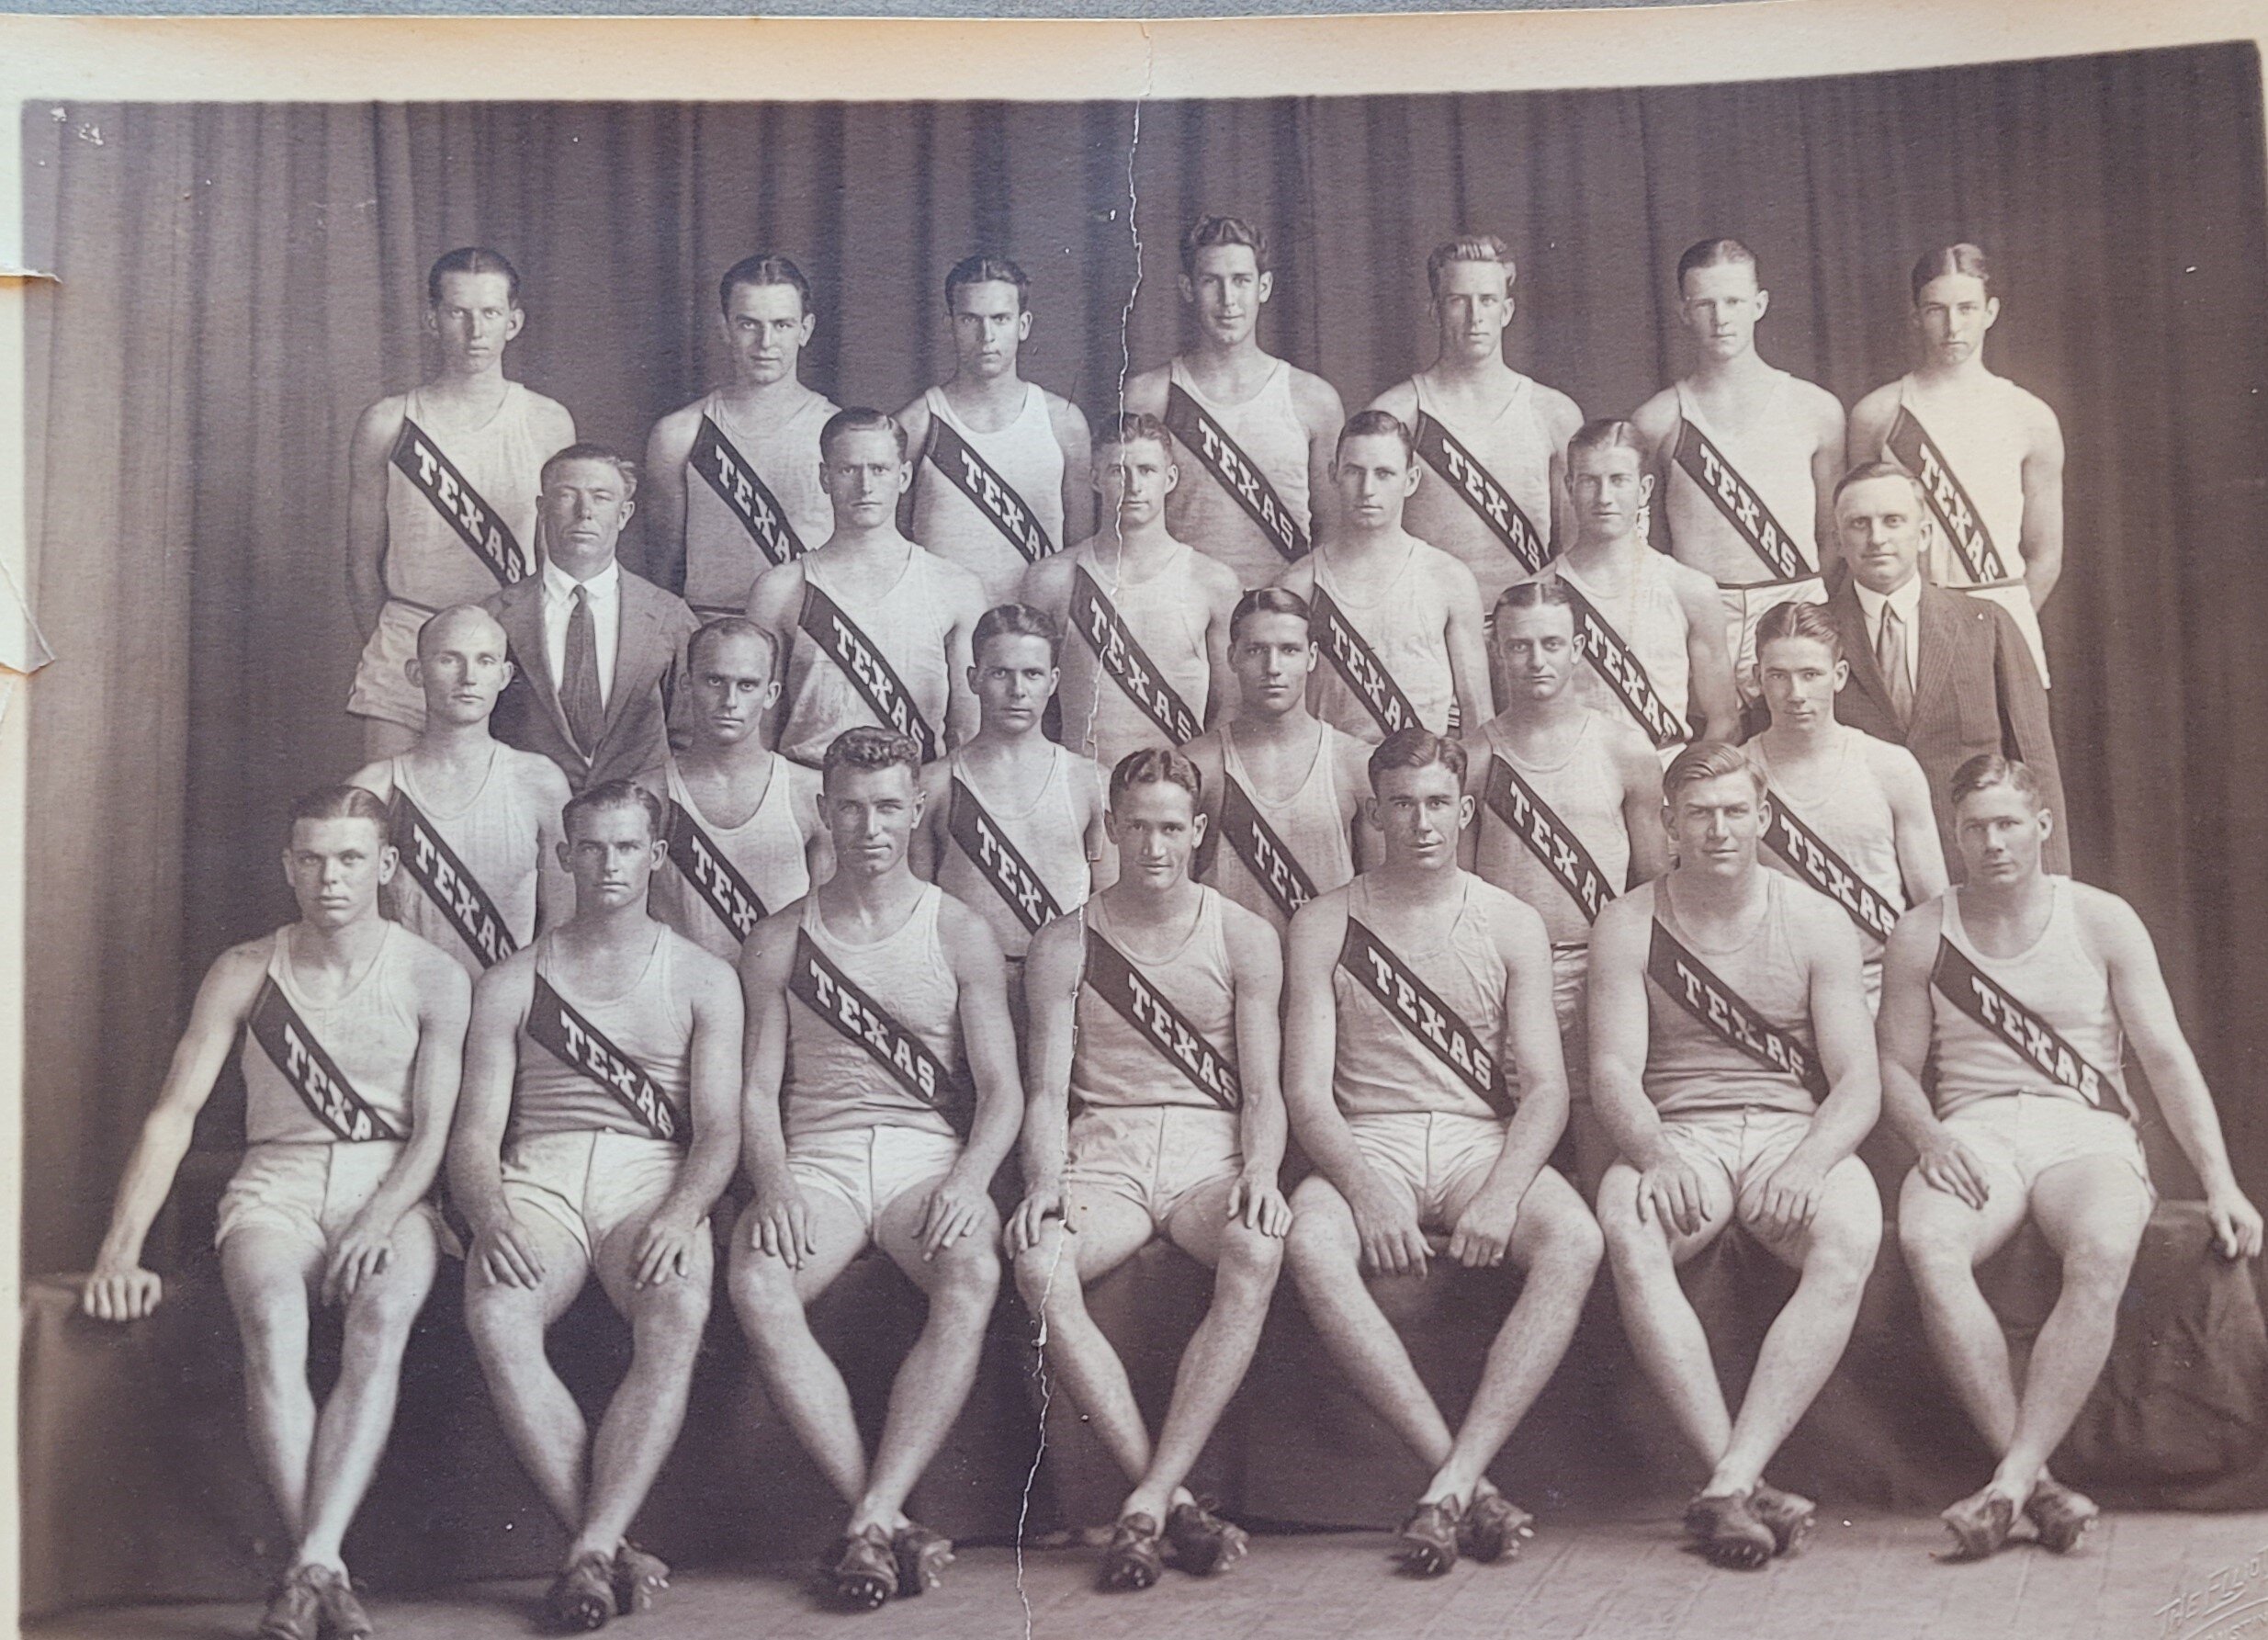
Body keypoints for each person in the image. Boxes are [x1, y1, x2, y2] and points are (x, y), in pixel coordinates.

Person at [83, 787, 471, 1640]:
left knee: (381, 1314)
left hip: (390, 1184)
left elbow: (436, 1134)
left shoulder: (432, 973)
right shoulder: (247, 967)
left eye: (350, 859)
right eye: (313, 859)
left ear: (387, 866)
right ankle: (324, 1565)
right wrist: (120, 1250)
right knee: (269, 1313)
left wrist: (380, 1218)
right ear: (287, 865)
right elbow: (173, 1115)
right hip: (277, 1182)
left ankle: (308, 1566)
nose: (331, 877)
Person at [1879, 753, 2262, 1560]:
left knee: (2099, 1247)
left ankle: (2009, 1483)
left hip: (2082, 1128)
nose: (1992, 843)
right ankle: (2037, 1482)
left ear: (2042, 826)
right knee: (1928, 1242)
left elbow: (2163, 1056)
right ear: (1954, 835)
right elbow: (1893, 1068)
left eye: (2008, 824)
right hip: (1974, 1126)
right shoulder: (1923, 930)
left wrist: (2220, 1182)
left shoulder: (2099, 918)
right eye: (1975, 828)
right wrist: (1929, 1136)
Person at [1281, 729, 1603, 1577]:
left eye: (1435, 804)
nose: (1420, 822)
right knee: (1310, 1240)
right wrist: (1362, 1188)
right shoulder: (1321, 923)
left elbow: (1544, 1087)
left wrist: (1501, 1194)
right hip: (1370, 1138)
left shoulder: (1510, 920)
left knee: (1573, 1238)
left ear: (1463, 811)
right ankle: (1459, 1480)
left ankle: (1451, 1483)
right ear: (1373, 814)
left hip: (1471, 1139)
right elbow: (1307, 1094)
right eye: (1400, 804)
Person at [729, 727, 1023, 1609]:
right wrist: (774, 1184)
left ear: (915, 808)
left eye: (888, 806)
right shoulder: (779, 938)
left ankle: (869, 1515)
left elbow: (1003, 1094)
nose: (868, 826)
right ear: (823, 812)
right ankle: (884, 1517)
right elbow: (754, 1091)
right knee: (754, 1279)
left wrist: (969, 1181)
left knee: (971, 1270)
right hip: (817, 1158)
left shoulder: (958, 929)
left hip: (919, 1157)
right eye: (850, 807)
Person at [450, 780, 743, 1631]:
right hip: (537, 1174)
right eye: (592, 847)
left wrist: (682, 1211)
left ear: (656, 856)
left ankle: (589, 1547)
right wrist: (493, 1216)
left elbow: (719, 1131)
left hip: (648, 1172)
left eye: (627, 847)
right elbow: (474, 1136)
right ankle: (605, 1546)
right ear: (564, 854)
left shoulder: (704, 977)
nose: (609, 864)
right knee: (497, 1313)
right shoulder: (510, 981)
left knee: (677, 1304)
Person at [1588, 741, 1882, 1570]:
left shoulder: (1817, 918)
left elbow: (1858, 1081)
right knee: (1628, 1222)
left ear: (1762, 817)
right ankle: (1739, 1481)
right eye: (1699, 814)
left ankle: (1728, 1481)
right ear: (1670, 824)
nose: (1718, 829)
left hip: (1790, 1130)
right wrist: (1651, 1152)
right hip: (1684, 1130)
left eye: (1732, 811)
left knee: (1852, 1231)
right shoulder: (1628, 921)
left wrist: (1809, 1161)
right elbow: (1611, 1069)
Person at [1006, 747, 1291, 1590]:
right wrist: (1042, 1182)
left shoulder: (1243, 935)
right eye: (1137, 827)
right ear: (1112, 830)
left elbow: (1264, 1088)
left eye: (1172, 827)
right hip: (1110, 1151)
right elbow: (1048, 1089)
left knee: (1258, 1249)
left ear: (1198, 832)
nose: (1155, 846)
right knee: (1036, 1263)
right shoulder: (1065, 941)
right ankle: (1163, 1500)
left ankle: (1149, 1499)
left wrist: (1264, 1169)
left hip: (1209, 1149)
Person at [1461, 581, 1668, 1188]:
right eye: (1518, 645)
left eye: (1551, 643)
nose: (1535, 660)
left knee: (1600, 1138)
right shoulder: (1474, 756)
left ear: (1577, 648)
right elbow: (1466, 889)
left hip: (1597, 969)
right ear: (1498, 652)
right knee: (1517, 1149)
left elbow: (1652, 880)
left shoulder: (1623, 747)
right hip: (1504, 976)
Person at [344, 248, 577, 758]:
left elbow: (556, 559)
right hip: (410, 633)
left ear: (513, 322)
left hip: (508, 645)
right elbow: (362, 565)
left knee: (514, 820)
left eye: (490, 313)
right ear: (433, 320)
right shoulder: (388, 422)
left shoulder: (547, 421)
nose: (475, 330)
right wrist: (402, 646)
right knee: (392, 814)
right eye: (458, 313)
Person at [1816, 461, 2068, 876]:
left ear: (1925, 534)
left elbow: (2035, 764)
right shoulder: (1814, 636)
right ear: (1838, 541)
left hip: (1975, 862)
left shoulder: (1987, 624)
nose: (1877, 538)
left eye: (1893, 520)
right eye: (1859, 524)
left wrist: (2054, 888)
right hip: (1858, 868)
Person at [1630, 239, 1845, 702]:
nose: (1720, 317)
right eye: (1704, 303)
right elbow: (1649, 544)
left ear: (1759, 304)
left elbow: (1833, 536)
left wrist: (1801, 603)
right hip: (1705, 613)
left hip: (1794, 605)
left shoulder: (1815, 410)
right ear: (1684, 311)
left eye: (1733, 302)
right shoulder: (1658, 420)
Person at [1849, 244, 2065, 683]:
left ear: (1991, 312)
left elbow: (2046, 554)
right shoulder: (1878, 414)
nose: (1952, 326)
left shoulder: (2029, 416)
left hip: (1999, 616)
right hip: (1909, 619)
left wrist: (1996, 626)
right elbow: (1856, 537)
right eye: (1936, 310)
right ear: (1915, 316)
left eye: (1967, 308)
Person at [746, 409, 987, 768]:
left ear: (904, 476)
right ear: (825, 478)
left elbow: (966, 737)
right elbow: (758, 736)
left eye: (879, 469)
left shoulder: (955, 589)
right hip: (809, 795)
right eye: (848, 470)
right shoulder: (780, 590)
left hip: (910, 799)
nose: (865, 486)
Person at [348, 603, 574, 980]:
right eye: (449, 660)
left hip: (506, 1008)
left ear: (504, 676)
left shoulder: (540, 783)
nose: (468, 677)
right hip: (405, 1003)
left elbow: (564, 916)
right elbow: (350, 921)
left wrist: (514, 1000)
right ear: (416, 673)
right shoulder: (375, 787)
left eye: (485, 661)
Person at [1123, 215, 1346, 592]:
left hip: (1279, 618)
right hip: (1182, 610)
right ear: (1188, 288)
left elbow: (1333, 532)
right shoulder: (1150, 396)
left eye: (1241, 281)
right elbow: (1126, 525)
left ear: (1265, 286)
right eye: (1212, 282)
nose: (1228, 301)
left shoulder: (1313, 400)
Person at [1744, 599, 1946, 1009]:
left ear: (1838, 677)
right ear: (1757, 679)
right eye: (1779, 676)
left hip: (1884, 984)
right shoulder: (1738, 775)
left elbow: (1933, 902)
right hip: (1781, 988)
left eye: (1810, 675)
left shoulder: (1889, 766)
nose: (1796, 694)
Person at [1371, 233, 1584, 615]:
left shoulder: (1553, 413)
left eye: (1487, 300)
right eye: (1458, 301)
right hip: (1429, 626)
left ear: (1506, 311)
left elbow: (1574, 553)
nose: (1475, 317)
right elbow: (1370, 545)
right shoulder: (1397, 413)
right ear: (1435, 310)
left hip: (1527, 630)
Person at [1020, 413, 1238, 775]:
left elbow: (1228, 709)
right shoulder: (1052, 580)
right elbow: (1031, 704)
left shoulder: (1213, 582)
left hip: (1175, 799)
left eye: (1148, 470)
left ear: (1170, 478)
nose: (1134, 485)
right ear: (1094, 478)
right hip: (1081, 789)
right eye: (1119, 471)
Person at [483, 444, 703, 795]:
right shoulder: (494, 617)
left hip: (635, 823)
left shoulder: (669, 617)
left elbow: (692, 735)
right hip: (527, 812)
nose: (584, 512)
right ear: (542, 509)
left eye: (601, 497)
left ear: (624, 513)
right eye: (567, 496)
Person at [916, 604, 1110, 985]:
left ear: (1053, 682)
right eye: (1000, 673)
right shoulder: (934, 784)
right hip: (965, 983)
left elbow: (1111, 909)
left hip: (1067, 983)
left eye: (1032, 674)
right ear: (973, 679)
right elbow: (917, 910)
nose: (1017, 690)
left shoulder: (1089, 781)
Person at [1274, 411, 1490, 745]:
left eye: (1385, 474)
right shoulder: (1299, 585)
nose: (1367, 489)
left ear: (1411, 480)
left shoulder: (1448, 579)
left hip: (1419, 780)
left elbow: (1478, 716)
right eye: (1354, 472)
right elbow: (1283, 719)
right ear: (1333, 475)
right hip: (1334, 778)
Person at [642, 254, 840, 616]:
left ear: (806, 329)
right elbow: (664, 574)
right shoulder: (680, 434)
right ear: (724, 328)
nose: (766, 342)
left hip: (811, 633)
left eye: (782, 325)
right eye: (749, 324)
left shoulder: (838, 434)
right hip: (712, 636)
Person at [1529, 420, 1740, 754]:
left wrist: (1683, 789)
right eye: (1589, 481)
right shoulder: (1537, 594)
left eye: (1618, 480)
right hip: (1577, 777)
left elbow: (1724, 721)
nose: (1604, 497)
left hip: (1666, 777)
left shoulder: (1689, 590)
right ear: (1569, 488)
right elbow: (1520, 720)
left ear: (1644, 490)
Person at [897, 254, 1094, 606]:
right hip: (942, 632)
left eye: (1000, 319)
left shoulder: (1062, 422)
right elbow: (893, 548)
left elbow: (1081, 552)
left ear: (1023, 324)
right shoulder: (917, 425)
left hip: (1034, 638)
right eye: (971, 319)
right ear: (950, 325)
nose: (986, 336)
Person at [1181, 588, 1374, 936]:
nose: (1272, 668)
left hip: (1328, 974)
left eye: (1289, 650)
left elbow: (1378, 898)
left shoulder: (1354, 763)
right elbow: (1179, 900)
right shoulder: (1199, 764)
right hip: (1228, 972)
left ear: (1312, 657)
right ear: (1232, 657)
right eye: (1256, 650)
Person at [638, 616, 830, 961]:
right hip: (681, 999)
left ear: (771, 694)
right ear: (686, 685)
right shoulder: (646, 796)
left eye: (747, 685)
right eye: (714, 681)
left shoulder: (809, 795)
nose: (729, 700)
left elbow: (828, 932)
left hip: (782, 996)